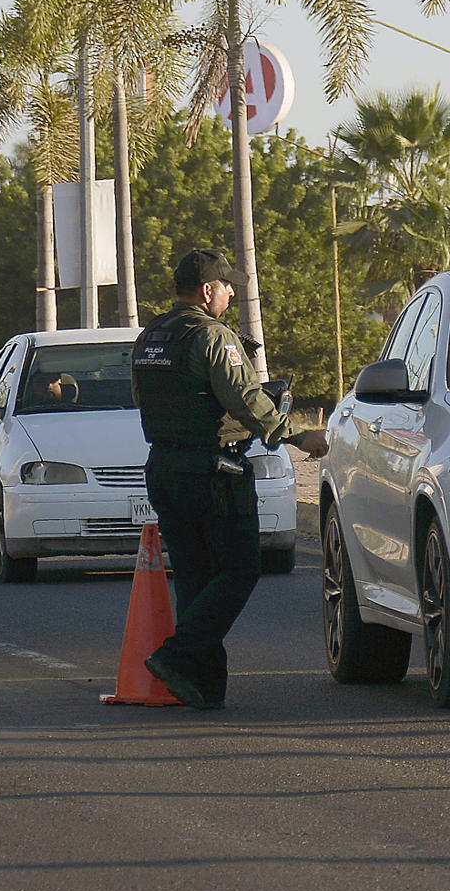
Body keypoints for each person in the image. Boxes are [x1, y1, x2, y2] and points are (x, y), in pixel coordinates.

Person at [130, 248, 328, 710]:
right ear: (206, 290)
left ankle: (203, 686)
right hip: (214, 471)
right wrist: (296, 435)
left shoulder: (151, 335)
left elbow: (143, 398)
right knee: (240, 569)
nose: (231, 292)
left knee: (197, 577)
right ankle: (177, 657)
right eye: (225, 286)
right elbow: (243, 398)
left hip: (165, 468)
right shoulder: (213, 337)